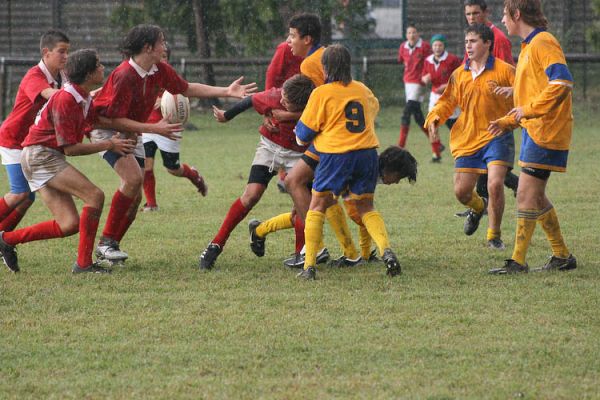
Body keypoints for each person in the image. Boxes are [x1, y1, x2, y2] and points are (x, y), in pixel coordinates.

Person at [89, 24, 256, 265]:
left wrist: (227, 91)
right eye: (162, 42)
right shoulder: (124, 75)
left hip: (129, 128)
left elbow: (186, 89)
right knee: (134, 179)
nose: (165, 46)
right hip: (105, 128)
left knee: (135, 196)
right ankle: (106, 243)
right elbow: (112, 118)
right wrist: (152, 128)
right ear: (148, 48)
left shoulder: (159, 69)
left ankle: (110, 249)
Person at [0, 49, 136, 274]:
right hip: (40, 157)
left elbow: (96, 122)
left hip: (42, 156)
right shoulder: (66, 99)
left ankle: (7, 239)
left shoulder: (82, 97)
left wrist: (142, 125)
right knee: (95, 195)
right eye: (99, 65)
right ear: (89, 73)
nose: (103, 68)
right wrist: (108, 145)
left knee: (69, 224)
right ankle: (83, 265)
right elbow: (70, 148)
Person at [295, 44, 402, 280]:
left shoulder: (321, 93)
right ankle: (386, 250)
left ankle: (309, 266)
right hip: (366, 153)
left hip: (336, 155)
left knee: (317, 206)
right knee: (366, 207)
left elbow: (302, 136)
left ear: (325, 68)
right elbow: (373, 109)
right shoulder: (362, 90)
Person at [488, 0, 576, 274]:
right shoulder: (529, 45)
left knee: (525, 194)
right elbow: (535, 90)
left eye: (504, 14)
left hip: (546, 131)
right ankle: (562, 256)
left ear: (516, 14)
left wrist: (525, 109)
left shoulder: (543, 42)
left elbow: (562, 82)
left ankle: (517, 261)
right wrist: (510, 115)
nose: (502, 20)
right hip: (534, 131)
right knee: (535, 196)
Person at [198, 74, 315, 270]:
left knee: (302, 206)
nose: (281, 100)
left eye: (287, 101)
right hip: (270, 147)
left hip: (298, 154)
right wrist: (226, 116)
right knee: (250, 196)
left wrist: (288, 116)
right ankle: (215, 245)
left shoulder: (314, 105)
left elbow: (316, 115)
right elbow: (250, 100)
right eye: (282, 96)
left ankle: (301, 253)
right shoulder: (274, 96)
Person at [425, 24, 516, 250]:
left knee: (495, 184)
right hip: (468, 137)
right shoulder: (460, 74)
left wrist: (513, 110)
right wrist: (434, 118)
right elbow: (446, 102)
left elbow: (525, 94)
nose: (468, 45)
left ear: (487, 43)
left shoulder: (505, 70)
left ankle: (494, 236)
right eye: (466, 42)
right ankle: (478, 207)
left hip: (497, 134)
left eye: (473, 41)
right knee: (461, 192)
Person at [249, 145, 418, 266]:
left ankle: (259, 230)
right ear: (391, 169)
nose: (397, 182)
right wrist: (355, 252)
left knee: (309, 214)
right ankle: (343, 255)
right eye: (399, 177)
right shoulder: (367, 168)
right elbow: (358, 214)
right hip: (311, 178)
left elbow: (361, 215)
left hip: (317, 177)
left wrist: (365, 254)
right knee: (321, 209)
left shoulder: (372, 169)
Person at [0, 30, 69, 242]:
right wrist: (78, 95)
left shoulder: (61, 76)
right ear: (46, 53)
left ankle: (2, 239)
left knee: (27, 198)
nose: (66, 57)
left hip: (30, 144)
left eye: (68, 52)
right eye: (62, 52)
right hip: (13, 140)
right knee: (20, 193)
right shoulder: (35, 76)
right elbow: (50, 95)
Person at [457, 0, 519, 214]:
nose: (472, 17)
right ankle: (482, 205)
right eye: (468, 14)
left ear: (486, 12)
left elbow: (509, 74)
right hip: (476, 115)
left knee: (489, 168)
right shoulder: (472, 40)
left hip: (495, 116)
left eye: (475, 13)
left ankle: (481, 210)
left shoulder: (498, 39)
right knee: (482, 167)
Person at [141, 46, 208, 212]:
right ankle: (152, 204)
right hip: (147, 127)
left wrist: (164, 101)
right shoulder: (143, 74)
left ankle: (193, 175)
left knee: (173, 169)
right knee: (146, 166)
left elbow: (182, 96)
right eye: (160, 56)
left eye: (165, 56)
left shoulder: (169, 75)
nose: (162, 59)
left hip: (169, 127)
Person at [397, 25, 443, 161]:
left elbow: (431, 61)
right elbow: (401, 60)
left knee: (406, 114)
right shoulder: (403, 47)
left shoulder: (425, 46)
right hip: (408, 82)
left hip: (419, 83)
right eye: (409, 32)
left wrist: (427, 75)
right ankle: (437, 146)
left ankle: (400, 147)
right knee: (418, 117)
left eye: (414, 32)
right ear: (406, 34)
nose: (411, 35)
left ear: (418, 34)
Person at [264, 41, 302, 193]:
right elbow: (271, 76)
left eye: (293, 35)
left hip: (305, 111)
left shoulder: (317, 57)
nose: (289, 39)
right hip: (288, 108)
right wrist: (267, 109)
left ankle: (289, 177)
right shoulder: (285, 49)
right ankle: (284, 176)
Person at [421, 34, 462, 162]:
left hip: (450, 97)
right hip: (435, 97)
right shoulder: (428, 60)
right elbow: (423, 77)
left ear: (444, 46)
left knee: (454, 126)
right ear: (432, 47)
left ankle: (462, 151)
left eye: (440, 45)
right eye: (435, 45)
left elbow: (460, 76)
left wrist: (446, 85)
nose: (437, 48)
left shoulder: (452, 60)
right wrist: (425, 79)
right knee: (432, 124)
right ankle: (436, 153)